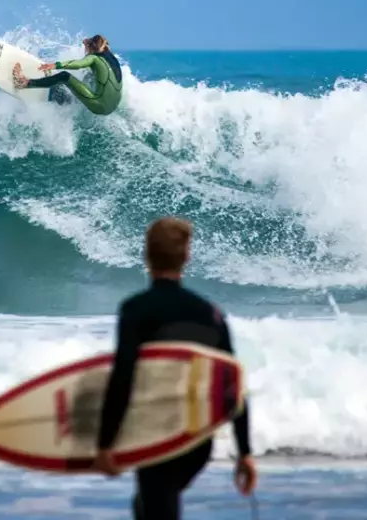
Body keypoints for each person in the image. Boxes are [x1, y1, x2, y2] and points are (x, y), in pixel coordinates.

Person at [92, 217, 257, 519]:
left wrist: (105, 443)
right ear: (187, 257)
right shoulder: (210, 314)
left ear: (146, 255)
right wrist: (245, 451)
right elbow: (232, 385)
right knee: (150, 504)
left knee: (157, 503)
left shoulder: (136, 309)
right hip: (196, 439)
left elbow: (123, 377)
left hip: (156, 433)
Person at [11, 34, 123, 115]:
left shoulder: (94, 58)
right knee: (88, 76)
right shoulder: (111, 56)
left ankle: (24, 83)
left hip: (100, 106)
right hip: (114, 104)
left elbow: (79, 64)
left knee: (64, 76)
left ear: (91, 48)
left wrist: (56, 65)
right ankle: (70, 99)